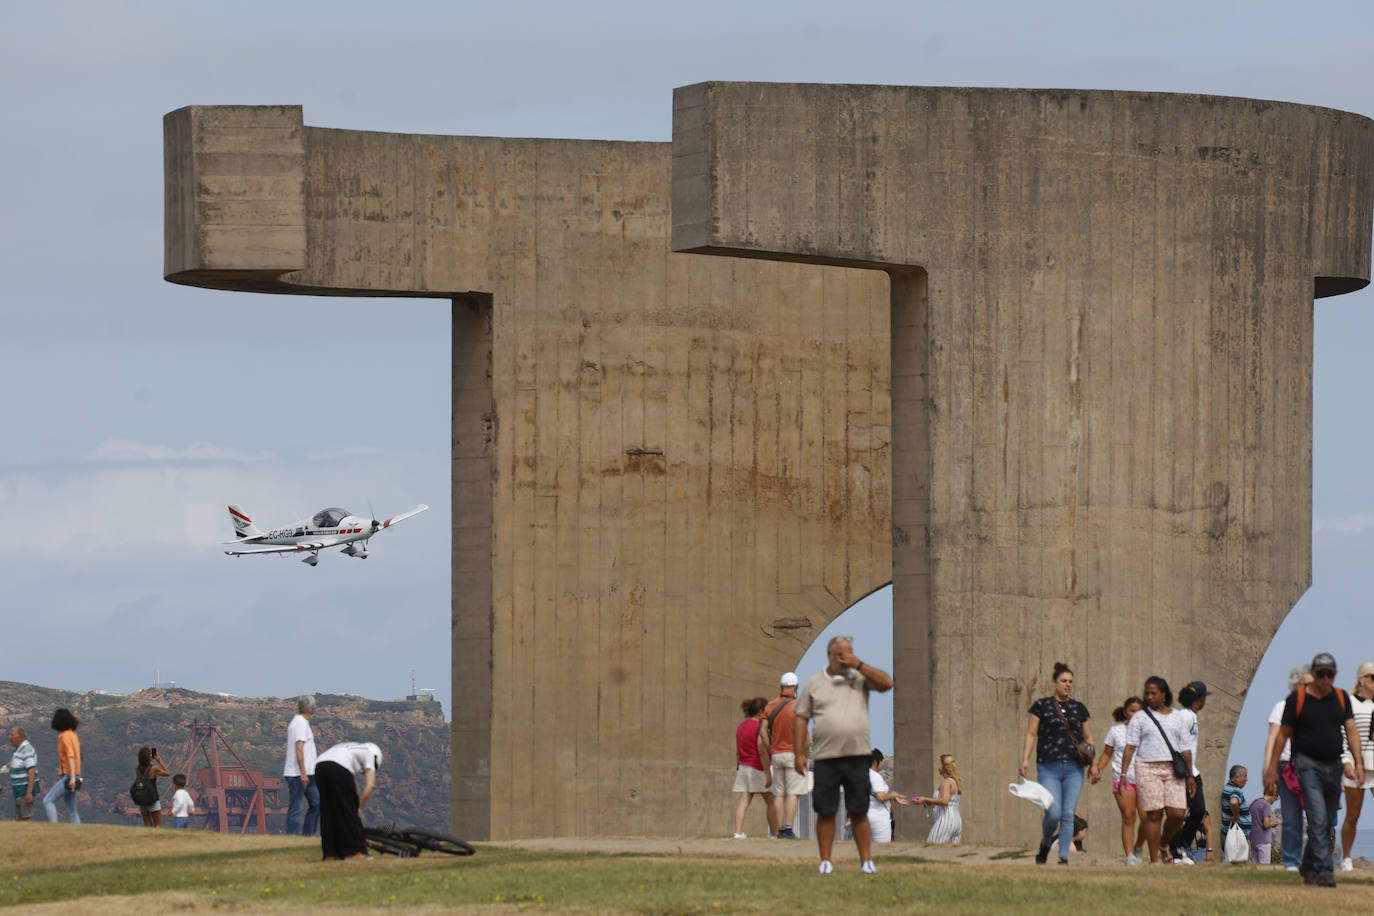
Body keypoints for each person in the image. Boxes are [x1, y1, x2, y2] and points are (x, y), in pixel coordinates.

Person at [793, 636, 894, 875]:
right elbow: (801, 718)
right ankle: (825, 861)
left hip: (857, 755)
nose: (844, 658)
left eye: (849, 653)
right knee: (826, 810)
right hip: (826, 757)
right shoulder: (815, 683)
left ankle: (866, 861)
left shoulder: (860, 678)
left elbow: (887, 683)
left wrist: (858, 664)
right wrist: (799, 753)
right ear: (830, 655)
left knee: (859, 809)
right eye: (840, 654)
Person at [1264, 651, 1365, 887]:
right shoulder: (1297, 699)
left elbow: (1351, 731)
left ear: (1335, 674)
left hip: (1334, 766)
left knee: (1328, 819)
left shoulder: (1340, 698)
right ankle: (1324, 870)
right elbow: (1281, 736)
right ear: (1314, 673)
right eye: (1320, 674)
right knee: (1318, 817)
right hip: (1306, 765)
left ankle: (1308, 864)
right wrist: (1271, 768)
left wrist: (1358, 763)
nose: (1325, 679)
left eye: (1329, 674)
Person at [1019, 661, 1100, 865]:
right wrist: (1025, 759)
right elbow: (1031, 733)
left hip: (1074, 767)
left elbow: (1089, 740)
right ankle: (1046, 842)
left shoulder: (1079, 708)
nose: (1067, 685)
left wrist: (1094, 764)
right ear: (1054, 682)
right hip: (1049, 766)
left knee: (1067, 814)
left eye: (1070, 681)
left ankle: (1063, 857)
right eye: (1063, 681)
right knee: (1053, 812)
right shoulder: (1041, 706)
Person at [1118, 676, 1192, 864]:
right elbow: (1130, 746)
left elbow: (1185, 748)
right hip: (1147, 767)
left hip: (1173, 768)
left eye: (1154, 693)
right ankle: (1154, 861)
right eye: (1147, 693)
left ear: (1164, 694)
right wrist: (1124, 773)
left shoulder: (1177, 717)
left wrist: (1190, 775)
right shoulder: (1140, 718)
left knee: (1177, 814)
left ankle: (1163, 844)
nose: (1149, 697)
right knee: (1154, 814)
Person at [1262, 664, 1313, 870]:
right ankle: (1291, 862)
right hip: (1287, 767)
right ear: (1295, 685)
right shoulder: (1282, 707)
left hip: (1313, 766)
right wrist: (1268, 769)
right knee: (1291, 817)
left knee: (1318, 818)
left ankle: (1311, 860)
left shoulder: (1318, 708)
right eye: (1306, 684)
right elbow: (1273, 738)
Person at [1097, 696, 1147, 865]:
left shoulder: (1149, 731)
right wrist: (1098, 769)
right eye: (1133, 711)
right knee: (1128, 816)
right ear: (1126, 712)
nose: (1136, 714)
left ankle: (1139, 846)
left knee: (1148, 818)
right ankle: (1130, 855)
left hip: (1146, 779)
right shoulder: (1115, 731)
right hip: (1124, 779)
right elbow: (1107, 754)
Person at [1169, 682, 1215, 863]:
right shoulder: (1186, 716)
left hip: (1190, 770)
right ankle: (1176, 850)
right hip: (1186, 772)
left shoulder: (1189, 716)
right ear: (1201, 699)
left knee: (1197, 811)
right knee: (1187, 812)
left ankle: (1179, 848)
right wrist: (1189, 776)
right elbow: (1184, 748)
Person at [315, 741, 382, 860]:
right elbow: (370, 786)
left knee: (328, 811)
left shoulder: (348, 747)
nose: (362, 772)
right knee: (347, 812)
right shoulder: (369, 753)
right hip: (339, 768)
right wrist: (357, 806)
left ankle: (330, 854)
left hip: (319, 766)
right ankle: (352, 852)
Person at [1338, 661, 1374, 872]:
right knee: (1353, 814)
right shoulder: (1349, 703)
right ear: (1362, 679)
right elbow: (1342, 735)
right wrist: (1346, 762)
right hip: (1355, 764)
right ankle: (1347, 857)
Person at [761, 672, 804, 839]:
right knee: (793, 793)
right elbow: (804, 735)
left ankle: (779, 830)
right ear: (796, 687)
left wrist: (770, 748)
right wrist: (804, 754)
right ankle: (788, 828)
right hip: (793, 753)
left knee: (779, 793)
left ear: (781, 687)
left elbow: (763, 731)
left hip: (777, 754)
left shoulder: (770, 706)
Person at [732, 697, 771, 838]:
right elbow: (761, 751)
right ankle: (774, 834)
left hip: (743, 766)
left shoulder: (741, 727)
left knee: (743, 801)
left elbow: (738, 751)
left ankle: (737, 833)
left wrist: (739, 766)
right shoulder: (759, 728)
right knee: (771, 802)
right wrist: (768, 774)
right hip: (757, 767)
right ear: (761, 711)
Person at [284, 695, 320, 836]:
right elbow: (299, 748)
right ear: (312, 708)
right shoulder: (299, 723)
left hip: (309, 774)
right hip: (298, 773)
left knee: (316, 803)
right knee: (296, 807)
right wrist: (303, 772)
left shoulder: (302, 723)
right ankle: (292, 836)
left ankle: (308, 835)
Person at [913, 753, 962, 844]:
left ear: (944, 767)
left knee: (931, 848)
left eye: (939, 764)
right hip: (956, 821)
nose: (938, 766)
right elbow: (949, 801)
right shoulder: (955, 782)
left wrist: (926, 799)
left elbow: (944, 801)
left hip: (945, 821)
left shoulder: (946, 782)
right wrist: (929, 803)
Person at [42, 708, 81, 823]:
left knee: (48, 800)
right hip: (76, 774)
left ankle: (54, 826)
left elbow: (70, 756)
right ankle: (78, 833)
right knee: (72, 810)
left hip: (69, 776)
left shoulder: (64, 736)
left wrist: (72, 778)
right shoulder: (73, 734)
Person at [862, 748, 909, 843]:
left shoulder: (863, 775)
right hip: (878, 819)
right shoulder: (875, 776)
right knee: (881, 849)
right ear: (876, 762)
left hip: (864, 817)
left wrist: (893, 798)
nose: (883, 764)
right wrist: (893, 794)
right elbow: (881, 797)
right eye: (882, 761)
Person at [3, 727, 39, 822]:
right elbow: (12, 767)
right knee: (19, 819)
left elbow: (31, 771)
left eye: (12, 735)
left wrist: (29, 793)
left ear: (21, 737)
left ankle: (32, 836)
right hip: (19, 791)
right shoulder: (19, 751)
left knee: (26, 818)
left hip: (24, 790)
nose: (10, 737)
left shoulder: (26, 750)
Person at [134, 746, 171, 827]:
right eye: (150, 754)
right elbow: (168, 773)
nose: (151, 755)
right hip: (152, 798)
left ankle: (148, 839)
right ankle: (156, 839)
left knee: (147, 825)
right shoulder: (153, 768)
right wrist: (160, 761)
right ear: (148, 757)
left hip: (142, 799)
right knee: (158, 824)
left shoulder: (137, 768)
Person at [1220, 765, 1251, 847]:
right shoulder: (1236, 790)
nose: (1246, 779)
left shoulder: (1227, 788)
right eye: (1245, 776)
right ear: (1237, 778)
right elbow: (1234, 802)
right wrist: (1236, 817)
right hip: (1237, 836)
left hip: (1230, 833)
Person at [1249, 782, 1278, 865]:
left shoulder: (1254, 803)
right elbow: (1266, 824)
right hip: (1263, 840)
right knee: (1264, 866)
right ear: (1274, 795)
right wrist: (1273, 823)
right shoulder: (1266, 805)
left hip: (1253, 839)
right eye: (1276, 798)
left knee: (1255, 866)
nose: (1274, 801)